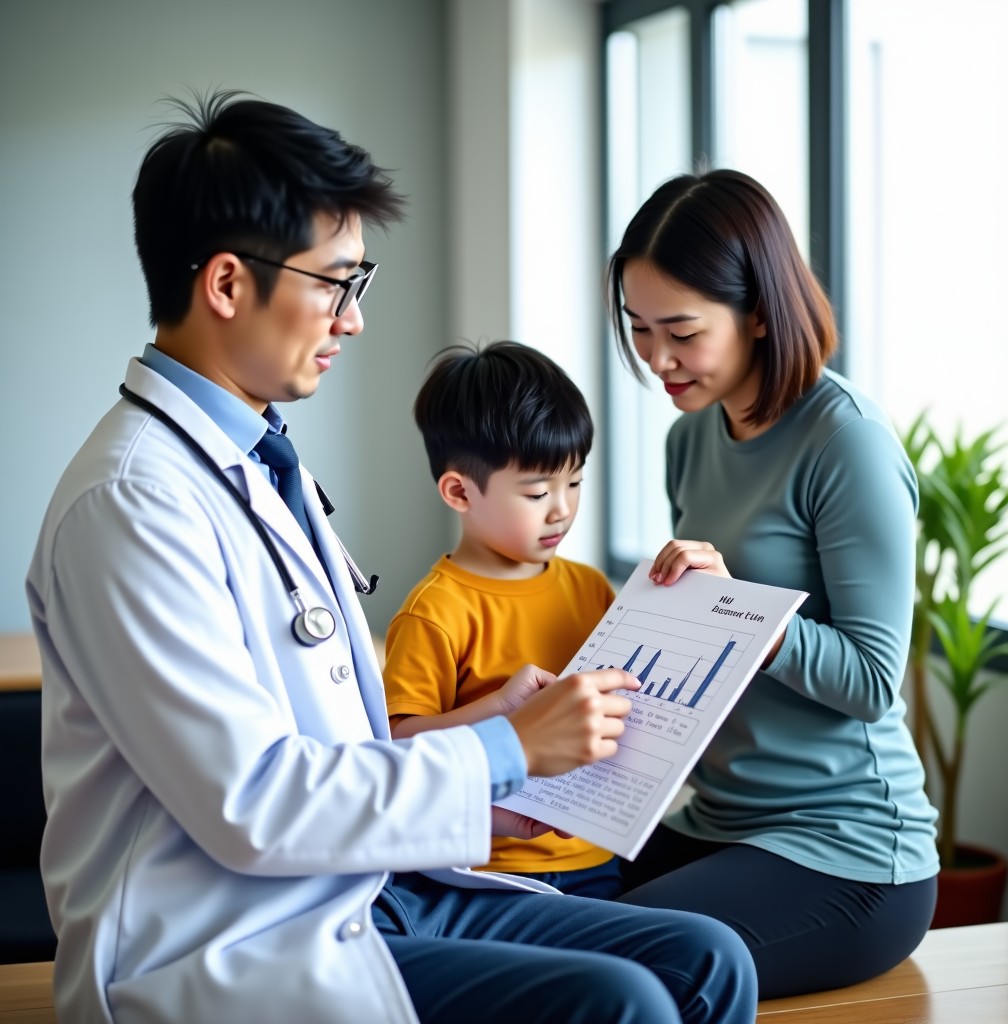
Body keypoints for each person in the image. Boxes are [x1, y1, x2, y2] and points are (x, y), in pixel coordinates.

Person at [25, 90, 758, 1024]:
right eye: (337, 283)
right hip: (230, 945)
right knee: (622, 1005)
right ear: (226, 285)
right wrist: (506, 748)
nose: (353, 320)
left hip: (366, 887)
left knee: (708, 960)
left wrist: (497, 765)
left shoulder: (257, 461)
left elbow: (336, 749)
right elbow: (251, 803)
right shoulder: (131, 502)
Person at [603, 168, 941, 999]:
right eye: (639, 330)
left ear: (757, 310)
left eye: (680, 331)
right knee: (516, 905)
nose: (656, 359)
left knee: (613, 970)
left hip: (851, 853)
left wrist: (742, 612)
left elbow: (870, 680)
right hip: (716, 819)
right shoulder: (691, 441)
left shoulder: (845, 441)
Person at [384, 340, 621, 898]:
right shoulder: (435, 611)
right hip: (491, 873)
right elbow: (398, 745)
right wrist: (499, 712)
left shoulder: (590, 588)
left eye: (575, 482)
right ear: (459, 492)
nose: (561, 508)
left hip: (599, 854)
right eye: (537, 491)